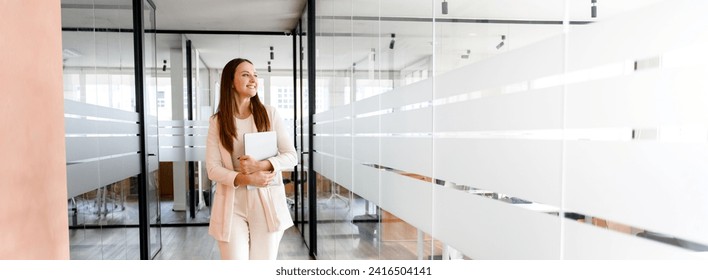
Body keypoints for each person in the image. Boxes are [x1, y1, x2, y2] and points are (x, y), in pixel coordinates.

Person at [206, 58, 297, 260]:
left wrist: (261, 165)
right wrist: (245, 178)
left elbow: (291, 156)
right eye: (246, 74)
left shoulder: (269, 114)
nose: (253, 79)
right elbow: (212, 169)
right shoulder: (217, 122)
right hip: (232, 205)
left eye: (255, 74)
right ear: (231, 81)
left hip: (266, 203)